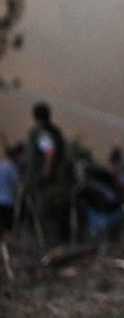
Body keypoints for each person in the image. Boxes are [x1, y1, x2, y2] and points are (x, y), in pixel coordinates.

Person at [25, 102, 70, 243]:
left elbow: (49, 152)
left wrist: (45, 175)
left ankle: (52, 248)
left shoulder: (41, 133)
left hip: (45, 184)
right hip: (59, 183)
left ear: (34, 116)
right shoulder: (56, 132)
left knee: (46, 218)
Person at [0, 143, 21, 234]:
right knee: (8, 229)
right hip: (8, 201)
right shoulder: (12, 167)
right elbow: (17, 183)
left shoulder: (1, 166)